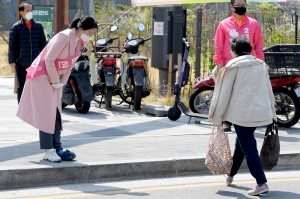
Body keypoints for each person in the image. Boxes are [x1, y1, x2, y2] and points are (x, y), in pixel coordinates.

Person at [16, 16, 98, 162]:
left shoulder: (80, 42)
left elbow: (69, 64)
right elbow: (49, 59)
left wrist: (62, 81)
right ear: (80, 29)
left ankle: (57, 147)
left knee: (56, 113)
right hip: (42, 77)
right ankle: (48, 150)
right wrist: (55, 81)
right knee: (47, 114)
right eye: (90, 33)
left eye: (93, 34)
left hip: (55, 79)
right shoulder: (64, 36)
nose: (91, 36)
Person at [208, 35, 276, 196]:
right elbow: (268, 89)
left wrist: (217, 115)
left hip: (241, 114)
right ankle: (230, 175)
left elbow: (224, 92)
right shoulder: (260, 65)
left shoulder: (233, 66)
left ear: (234, 51)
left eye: (231, 50)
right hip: (259, 112)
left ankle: (261, 183)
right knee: (241, 144)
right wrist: (272, 112)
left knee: (249, 147)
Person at [213, 0, 264, 132]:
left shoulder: (253, 24)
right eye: (238, 5)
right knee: (227, 93)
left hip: (247, 65)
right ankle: (226, 120)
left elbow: (258, 45)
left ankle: (244, 119)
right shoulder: (224, 24)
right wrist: (219, 63)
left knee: (244, 93)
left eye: (243, 5)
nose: (241, 7)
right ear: (231, 7)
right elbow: (218, 45)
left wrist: (261, 63)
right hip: (229, 65)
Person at [8, 1, 47, 104]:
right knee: (22, 86)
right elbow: (12, 46)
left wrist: (44, 59)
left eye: (31, 10)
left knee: (36, 86)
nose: (30, 12)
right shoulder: (16, 28)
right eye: (27, 10)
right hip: (21, 63)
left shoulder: (38, 26)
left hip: (36, 64)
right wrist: (13, 61)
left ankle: (34, 108)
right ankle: (22, 107)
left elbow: (43, 44)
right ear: (21, 12)